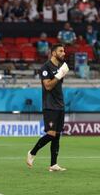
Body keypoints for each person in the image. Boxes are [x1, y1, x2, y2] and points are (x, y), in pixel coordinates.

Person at [26, 43, 69, 172]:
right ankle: (32, 153)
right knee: (50, 134)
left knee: (57, 135)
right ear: (54, 53)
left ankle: (53, 164)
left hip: (60, 105)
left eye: (64, 51)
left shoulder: (61, 67)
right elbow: (48, 86)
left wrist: (61, 73)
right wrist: (58, 75)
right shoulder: (45, 67)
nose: (64, 53)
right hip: (50, 106)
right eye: (61, 51)